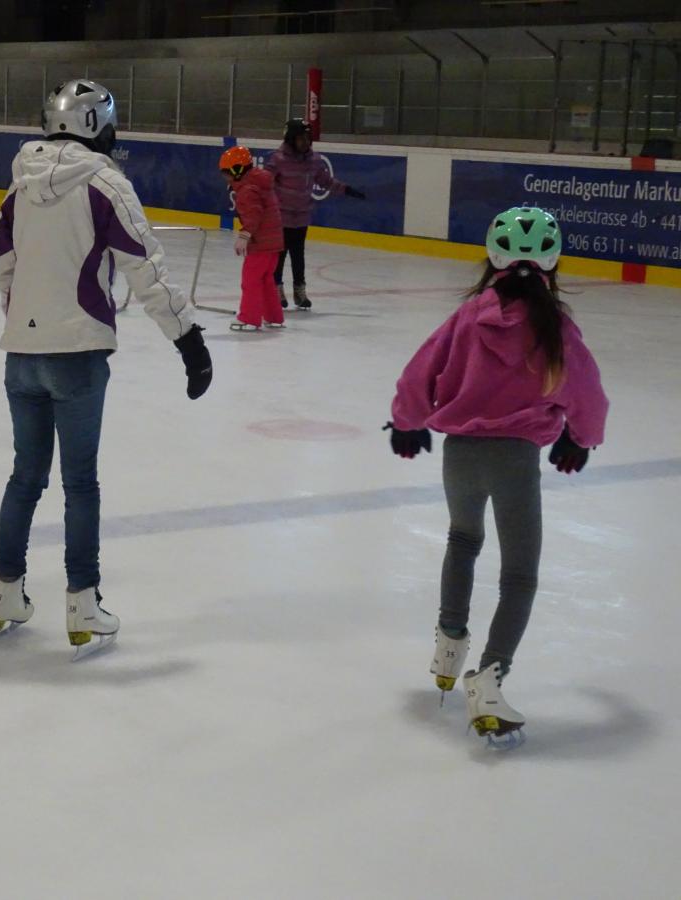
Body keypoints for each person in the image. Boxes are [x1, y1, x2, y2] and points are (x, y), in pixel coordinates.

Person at [0, 78, 212, 654]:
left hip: (21, 356)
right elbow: (146, 269)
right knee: (79, 483)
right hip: (78, 356)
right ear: (97, 128)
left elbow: (6, 269)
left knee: (24, 478)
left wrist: (26, 326)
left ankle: (4, 592)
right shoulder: (106, 185)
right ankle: (82, 603)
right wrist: (188, 339)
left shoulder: (17, 185)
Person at [387, 206, 609, 746]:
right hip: (514, 460)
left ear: (493, 258)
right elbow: (587, 391)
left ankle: (448, 643)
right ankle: (489, 679)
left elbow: (423, 369)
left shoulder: (468, 317)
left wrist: (406, 420)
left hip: (460, 453)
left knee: (462, 541)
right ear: (553, 263)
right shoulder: (555, 327)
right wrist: (580, 436)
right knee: (519, 576)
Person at [265, 118, 365, 310]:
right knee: (279, 255)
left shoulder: (314, 161)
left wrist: (347, 190)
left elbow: (327, 181)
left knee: (298, 255)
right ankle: (276, 289)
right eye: (300, 138)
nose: (305, 142)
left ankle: (299, 291)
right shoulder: (278, 159)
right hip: (281, 217)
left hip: (301, 216)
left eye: (307, 138)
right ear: (290, 139)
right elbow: (265, 182)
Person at [219, 145, 286, 332]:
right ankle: (274, 317)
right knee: (266, 281)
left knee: (250, 280)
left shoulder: (247, 190)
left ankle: (249, 318)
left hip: (261, 243)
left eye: (227, 174)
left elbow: (254, 214)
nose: (226, 178)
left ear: (237, 170)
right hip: (274, 242)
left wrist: (244, 235)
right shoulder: (260, 182)